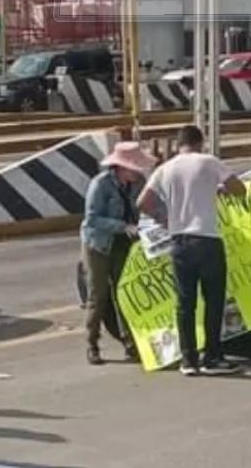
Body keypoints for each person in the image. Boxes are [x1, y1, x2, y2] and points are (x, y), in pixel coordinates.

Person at [137, 125, 246, 377]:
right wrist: (218, 190)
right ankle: (212, 356)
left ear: (178, 144)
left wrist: (165, 219)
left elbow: (143, 202)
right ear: (201, 142)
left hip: (179, 243)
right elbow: (239, 189)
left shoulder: (165, 169)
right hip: (207, 240)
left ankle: (188, 360)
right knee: (214, 301)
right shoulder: (208, 162)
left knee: (185, 304)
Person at [80, 141, 155, 365]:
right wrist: (122, 226)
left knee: (125, 293)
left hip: (124, 244)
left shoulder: (138, 183)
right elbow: (92, 219)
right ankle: (92, 344)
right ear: (122, 168)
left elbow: (147, 206)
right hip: (99, 244)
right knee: (98, 295)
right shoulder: (100, 185)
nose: (139, 171)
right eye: (135, 167)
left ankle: (131, 344)